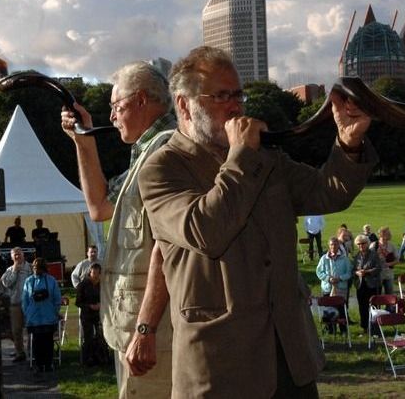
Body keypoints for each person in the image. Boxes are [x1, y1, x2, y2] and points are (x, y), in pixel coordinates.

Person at [137, 46, 377, 397]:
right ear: (184, 105)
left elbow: (328, 192)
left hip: (290, 361)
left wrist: (349, 142)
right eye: (220, 96)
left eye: (238, 94)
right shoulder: (162, 170)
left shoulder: (264, 159)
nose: (235, 106)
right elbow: (207, 231)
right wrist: (243, 156)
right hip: (221, 370)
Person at [61, 61, 176, 396]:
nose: (112, 116)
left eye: (116, 106)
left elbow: (167, 250)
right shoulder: (147, 153)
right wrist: (81, 139)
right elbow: (99, 207)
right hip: (142, 331)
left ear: (141, 100)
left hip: (157, 334)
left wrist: (145, 330)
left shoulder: (168, 152)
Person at [22, 258, 61, 374]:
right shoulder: (28, 281)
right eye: (34, 267)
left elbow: (57, 298)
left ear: (43, 268)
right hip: (34, 319)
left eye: (37, 267)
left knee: (48, 342)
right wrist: (27, 313)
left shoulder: (51, 281)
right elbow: (24, 300)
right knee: (37, 343)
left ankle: (48, 364)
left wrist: (54, 311)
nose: (35, 269)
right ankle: (38, 364)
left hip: (48, 317)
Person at [0, 247, 31, 363]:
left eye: (19, 254)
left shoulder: (30, 268)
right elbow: (6, 283)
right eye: (15, 255)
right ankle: (20, 352)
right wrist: (14, 271)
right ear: (12, 257)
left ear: (23, 255)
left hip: (28, 304)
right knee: (16, 330)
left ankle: (31, 350)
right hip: (15, 304)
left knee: (30, 329)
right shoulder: (8, 270)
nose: (17, 257)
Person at [76, 263, 105, 366]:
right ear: (90, 272)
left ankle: (101, 358)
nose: (95, 276)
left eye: (98, 273)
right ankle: (87, 359)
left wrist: (101, 304)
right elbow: (78, 302)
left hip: (99, 314)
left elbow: (107, 298)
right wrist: (89, 306)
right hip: (87, 314)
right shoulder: (83, 285)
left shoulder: (102, 285)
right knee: (88, 336)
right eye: (94, 273)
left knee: (100, 335)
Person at [353, 234, 382, 334]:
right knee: (362, 306)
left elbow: (378, 268)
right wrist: (357, 272)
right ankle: (365, 327)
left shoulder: (374, 254)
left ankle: (375, 327)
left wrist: (367, 272)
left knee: (374, 307)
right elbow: (354, 270)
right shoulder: (356, 256)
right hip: (361, 285)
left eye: (363, 243)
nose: (361, 246)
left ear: (367, 244)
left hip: (373, 284)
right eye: (359, 244)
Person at [372, 226, 399, 296]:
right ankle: (378, 307)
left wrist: (389, 264)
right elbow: (369, 260)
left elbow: (397, 259)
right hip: (378, 275)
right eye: (388, 233)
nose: (390, 235)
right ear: (381, 234)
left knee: (390, 294)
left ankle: (389, 307)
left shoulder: (392, 245)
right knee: (377, 294)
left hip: (389, 274)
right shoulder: (374, 245)